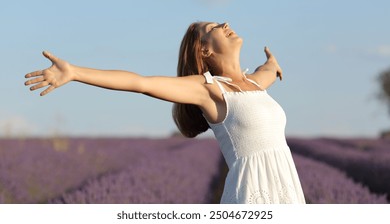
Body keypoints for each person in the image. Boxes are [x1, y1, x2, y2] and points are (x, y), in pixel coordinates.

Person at [25, 21, 306, 204]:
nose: (224, 24)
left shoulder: (256, 82)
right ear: (204, 50)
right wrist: (74, 72)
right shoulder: (207, 89)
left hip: (288, 191)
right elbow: (141, 83)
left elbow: (267, 71)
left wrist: (272, 63)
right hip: (251, 196)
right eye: (213, 28)